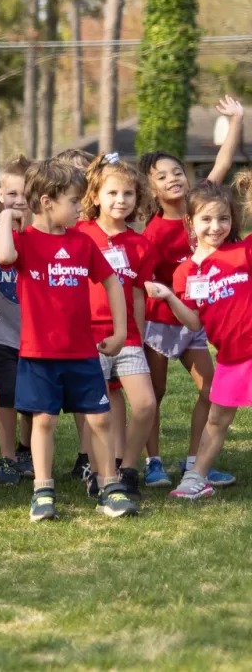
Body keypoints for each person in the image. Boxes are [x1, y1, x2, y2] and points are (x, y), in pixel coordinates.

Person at [0, 161, 136, 521]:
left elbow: (112, 283)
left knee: (100, 420)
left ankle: (110, 486)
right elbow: (4, 256)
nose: (79, 208)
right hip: (39, 355)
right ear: (46, 201)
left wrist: (120, 332)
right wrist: (6, 219)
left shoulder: (82, 242)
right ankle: (43, 491)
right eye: (74, 201)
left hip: (82, 353)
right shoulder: (24, 242)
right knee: (43, 422)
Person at [138, 96, 243, 488]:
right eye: (162, 176)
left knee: (212, 390)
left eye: (176, 171)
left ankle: (196, 460)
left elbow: (225, 162)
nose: (173, 179)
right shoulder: (151, 232)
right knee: (156, 392)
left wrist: (236, 120)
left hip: (194, 322)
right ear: (150, 187)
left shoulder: (204, 205)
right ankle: (153, 463)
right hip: (161, 322)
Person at [74, 156, 160, 496]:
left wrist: (135, 335)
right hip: (89, 338)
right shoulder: (80, 235)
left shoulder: (141, 244)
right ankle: (98, 474)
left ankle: (128, 470)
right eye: (111, 193)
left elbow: (138, 294)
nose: (120, 201)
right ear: (95, 197)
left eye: (127, 194)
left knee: (145, 405)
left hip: (127, 338)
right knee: (101, 413)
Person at [165, 180, 247, 499]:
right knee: (216, 419)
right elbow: (194, 320)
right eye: (207, 219)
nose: (216, 227)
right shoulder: (186, 272)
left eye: (223, 219)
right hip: (231, 357)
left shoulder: (243, 251)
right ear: (191, 221)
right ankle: (196, 480)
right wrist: (171, 298)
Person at [0, 156, 36, 485]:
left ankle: (27, 450)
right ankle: (7, 458)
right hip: (1, 334)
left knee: (31, 399)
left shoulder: (43, 236)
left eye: (26, 194)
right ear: (1, 194)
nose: (19, 201)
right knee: (7, 395)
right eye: (12, 194)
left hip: (37, 335)